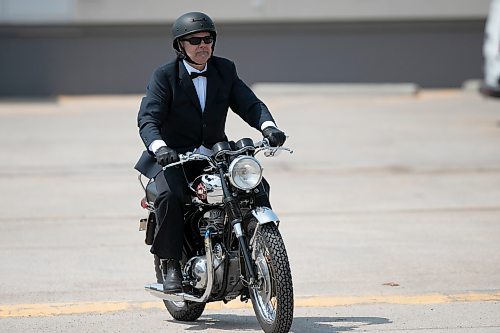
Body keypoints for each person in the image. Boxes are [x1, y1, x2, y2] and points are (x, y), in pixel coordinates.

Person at [134, 12, 286, 293]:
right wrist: (160, 148)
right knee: (170, 196)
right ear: (180, 45)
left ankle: (259, 247)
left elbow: (249, 103)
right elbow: (148, 119)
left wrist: (268, 127)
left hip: (215, 156)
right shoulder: (164, 76)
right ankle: (170, 264)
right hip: (175, 158)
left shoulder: (224, 70)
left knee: (256, 186)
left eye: (208, 39)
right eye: (194, 40)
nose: (203, 45)